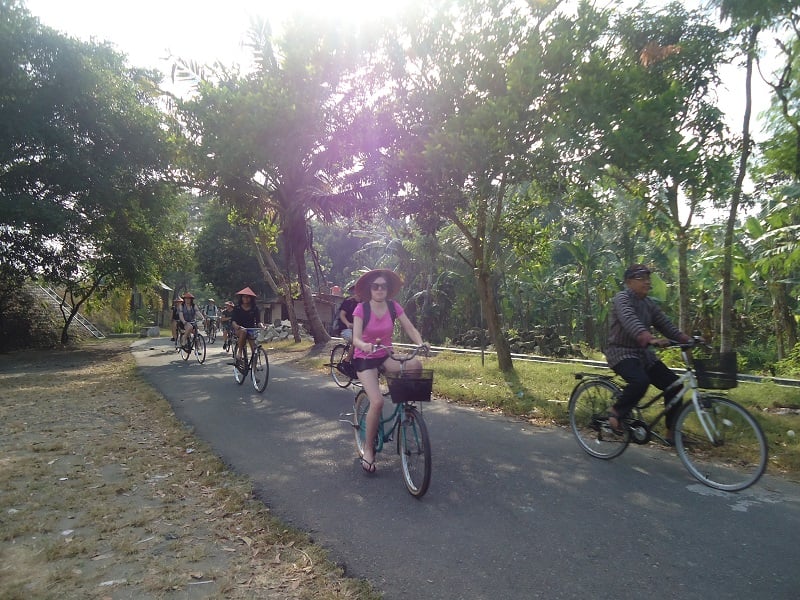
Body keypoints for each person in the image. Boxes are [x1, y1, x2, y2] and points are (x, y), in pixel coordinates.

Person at [605, 264, 693, 444]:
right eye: (641, 278)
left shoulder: (648, 304)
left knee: (674, 385)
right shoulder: (622, 299)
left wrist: (686, 339)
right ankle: (616, 412)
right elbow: (630, 320)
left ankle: (672, 432)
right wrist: (648, 337)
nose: (647, 282)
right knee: (640, 381)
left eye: (648, 278)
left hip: (643, 355)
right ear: (629, 282)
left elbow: (665, 325)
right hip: (621, 352)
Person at [352, 269, 427, 473]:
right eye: (375, 286)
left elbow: (410, 328)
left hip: (385, 354)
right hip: (365, 358)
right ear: (370, 289)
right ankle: (368, 450)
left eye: (383, 286)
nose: (379, 289)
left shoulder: (394, 307)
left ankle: (405, 410)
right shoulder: (361, 309)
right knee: (377, 402)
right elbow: (355, 338)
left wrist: (420, 343)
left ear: (387, 289)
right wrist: (364, 346)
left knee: (415, 365)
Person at [230, 287, 262, 363]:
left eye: (248, 297)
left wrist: (262, 326)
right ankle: (240, 352)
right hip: (239, 330)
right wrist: (236, 326)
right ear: (241, 298)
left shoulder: (255, 308)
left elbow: (258, 321)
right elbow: (233, 321)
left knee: (254, 349)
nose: (246, 298)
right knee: (243, 331)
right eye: (244, 297)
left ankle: (254, 367)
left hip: (251, 330)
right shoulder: (237, 308)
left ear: (251, 298)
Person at [336, 285, 359, 373]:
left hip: (359, 330)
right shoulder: (348, 302)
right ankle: (346, 361)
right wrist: (347, 323)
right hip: (346, 329)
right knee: (355, 341)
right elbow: (342, 315)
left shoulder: (366, 303)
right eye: (356, 290)